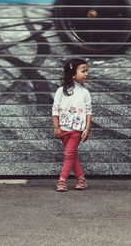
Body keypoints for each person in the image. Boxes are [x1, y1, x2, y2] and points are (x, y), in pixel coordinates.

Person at [52, 59, 92, 191]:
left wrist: (87, 128)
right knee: (72, 154)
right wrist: (56, 127)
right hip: (63, 129)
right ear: (73, 74)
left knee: (68, 154)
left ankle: (62, 180)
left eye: (87, 71)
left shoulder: (85, 93)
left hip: (77, 130)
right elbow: (55, 109)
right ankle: (81, 179)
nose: (86, 73)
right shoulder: (61, 91)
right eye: (83, 71)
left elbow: (88, 111)